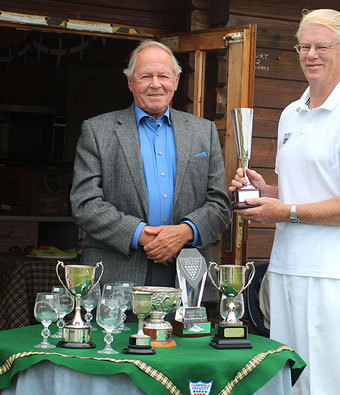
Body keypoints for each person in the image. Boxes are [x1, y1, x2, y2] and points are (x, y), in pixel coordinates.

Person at [230, 9, 340, 395]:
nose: (311, 54)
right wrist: (264, 194)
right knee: (289, 382)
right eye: (304, 46)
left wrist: (285, 211)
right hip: (286, 268)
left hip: (330, 275)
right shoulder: (290, 114)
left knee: (326, 385)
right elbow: (304, 194)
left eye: (322, 47)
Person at [70, 40, 231, 302]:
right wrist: (142, 235)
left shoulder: (204, 132)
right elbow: (85, 203)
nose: (155, 84)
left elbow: (220, 204)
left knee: (187, 344)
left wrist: (184, 232)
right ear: (131, 82)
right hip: (117, 273)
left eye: (163, 76)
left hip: (186, 272)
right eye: (146, 76)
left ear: (176, 81)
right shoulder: (97, 130)